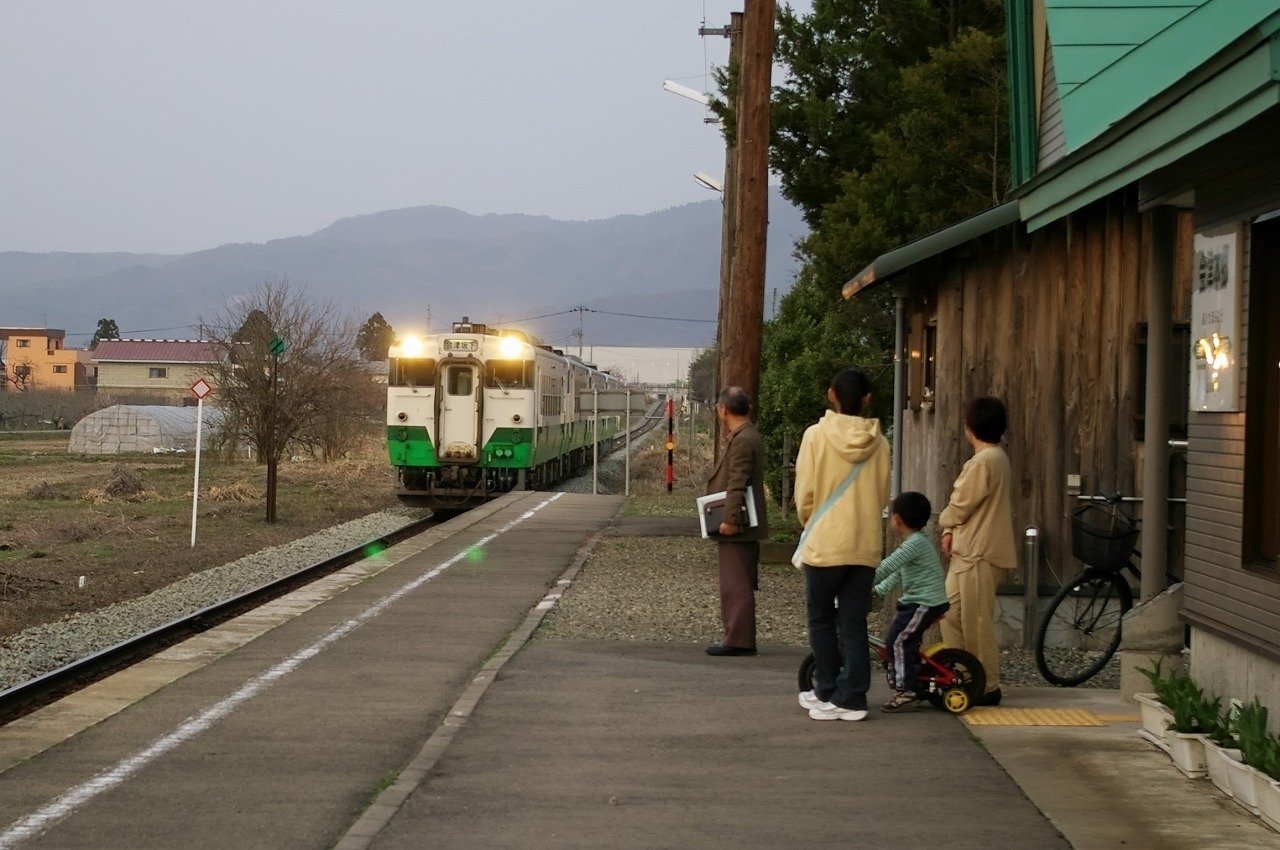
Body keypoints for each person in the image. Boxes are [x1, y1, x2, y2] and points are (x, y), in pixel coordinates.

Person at [794, 369, 890, 721]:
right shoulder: (881, 443)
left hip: (826, 544)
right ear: (867, 399)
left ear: (831, 394)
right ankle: (853, 697)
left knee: (821, 619)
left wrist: (812, 522)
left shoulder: (816, 436)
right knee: (853, 622)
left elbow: (805, 494)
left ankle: (827, 689)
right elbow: (882, 495)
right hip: (864, 543)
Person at [939, 397, 1017, 706]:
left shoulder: (983, 462)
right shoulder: (996, 458)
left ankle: (986, 684)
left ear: (970, 427)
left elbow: (960, 505)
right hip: (971, 549)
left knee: (976, 621)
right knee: (950, 613)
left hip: (978, 551)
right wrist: (949, 530)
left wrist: (944, 522)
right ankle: (964, 673)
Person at [704, 386, 768, 656]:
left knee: (735, 582)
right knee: (739, 579)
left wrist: (730, 519)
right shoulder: (748, 434)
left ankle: (739, 640)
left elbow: (737, 481)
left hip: (739, 524)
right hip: (745, 522)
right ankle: (738, 636)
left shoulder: (742, 439)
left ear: (723, 410)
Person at [873, 491, 949, 712]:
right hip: (918, 602)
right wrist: (877, 590)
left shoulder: (914, 543)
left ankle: (906, 689)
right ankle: (914, 679)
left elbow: (888, 566)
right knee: (902, 640)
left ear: (896, 519)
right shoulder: (915, 541)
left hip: (925, 602)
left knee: (897, 641)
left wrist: (860, 583)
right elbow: (897, 573)